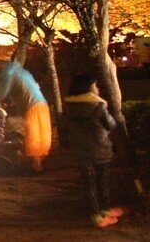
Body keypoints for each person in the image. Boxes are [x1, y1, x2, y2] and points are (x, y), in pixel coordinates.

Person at [60, 74, 127, 228]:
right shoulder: (98, 106)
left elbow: (63, 127)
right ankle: (105, 210)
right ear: (87, 88)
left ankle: (96, 216)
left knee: (88, 183)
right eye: (95, 85)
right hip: (100, 149)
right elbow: (111, 124)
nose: (97, 88)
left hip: (81, 151)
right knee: (102, 181)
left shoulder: (69, 108)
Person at [0, 60, 51, 172]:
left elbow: (1, 93)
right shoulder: (24, 72)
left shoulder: (9, 73)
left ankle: (35, 166)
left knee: (33, 136)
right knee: (41, 136)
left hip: (31, 106)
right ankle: (37, 164)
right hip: (42, 104)